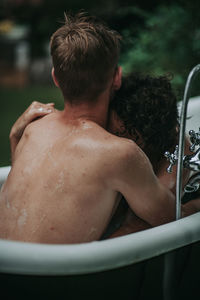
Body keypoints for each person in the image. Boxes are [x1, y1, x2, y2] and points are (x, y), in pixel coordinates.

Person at [0, 12, 176, 244]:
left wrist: (15, 137)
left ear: (55, 78)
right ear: (117, 77)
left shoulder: (34, 129)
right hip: (54, 277)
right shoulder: (120, 153)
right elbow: (171, 217)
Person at [6, 72, 200, 240]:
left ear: (149, 146)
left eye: (120, 138)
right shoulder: (93, 138)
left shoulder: (172, 155)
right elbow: (26, 195)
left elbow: (140, 227)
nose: (108, 141)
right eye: (109, 131)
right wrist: (15, 137)